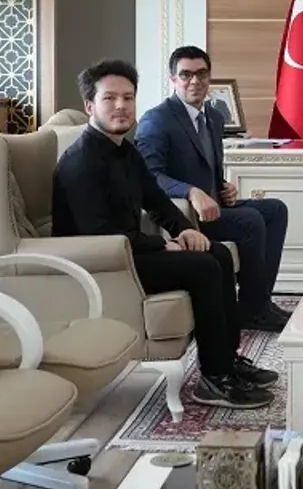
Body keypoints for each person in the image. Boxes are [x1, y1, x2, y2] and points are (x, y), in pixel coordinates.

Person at [51, 58, 277, 410]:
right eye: (110, 98)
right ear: (90, 106)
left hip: (128, 252)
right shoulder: (81, 162)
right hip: (101, 264)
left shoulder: (125, 150)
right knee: (204, 267)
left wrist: (184, 229)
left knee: (216, 252)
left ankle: (227, 361)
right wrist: (163, 244)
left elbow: (156, 200)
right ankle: (214, 380)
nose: (121, 106)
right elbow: (101, 235)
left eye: (128, 97)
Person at [135, 46, 290, 332]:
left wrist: (223, 187)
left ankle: (259, 302)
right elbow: (149, 176)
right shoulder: (156, 120)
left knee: (275, 210)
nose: (195, 81)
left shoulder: (214, 117)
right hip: (186, 215)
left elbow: (208, 166)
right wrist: (191, 191)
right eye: (186, 75)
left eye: (201, 74)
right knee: (250, 220)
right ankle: (254, 312)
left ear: (209, 77)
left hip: (215, 206)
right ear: (173, 79)